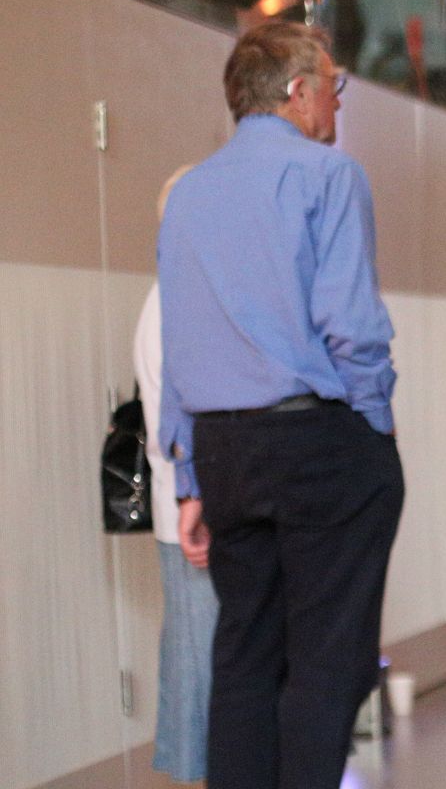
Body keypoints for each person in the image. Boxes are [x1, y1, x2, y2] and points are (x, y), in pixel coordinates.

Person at [159, 21, 405, 789]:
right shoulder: (329, 178)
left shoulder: (187, 193)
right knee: (327, 661)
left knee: (245, 654)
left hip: (224, 452)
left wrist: (189, 474)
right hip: (317, 440)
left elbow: (180, 339)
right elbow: (350, 325)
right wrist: (375, 421)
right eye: (333, 87)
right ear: (299, 93)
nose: (336, 104)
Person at [137, 166, 218, 785]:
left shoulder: (179, 297)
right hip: (190, 518)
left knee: (198, 667)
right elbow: (179, 426)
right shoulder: (171, 304)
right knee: (200, 675)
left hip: (196, 511)